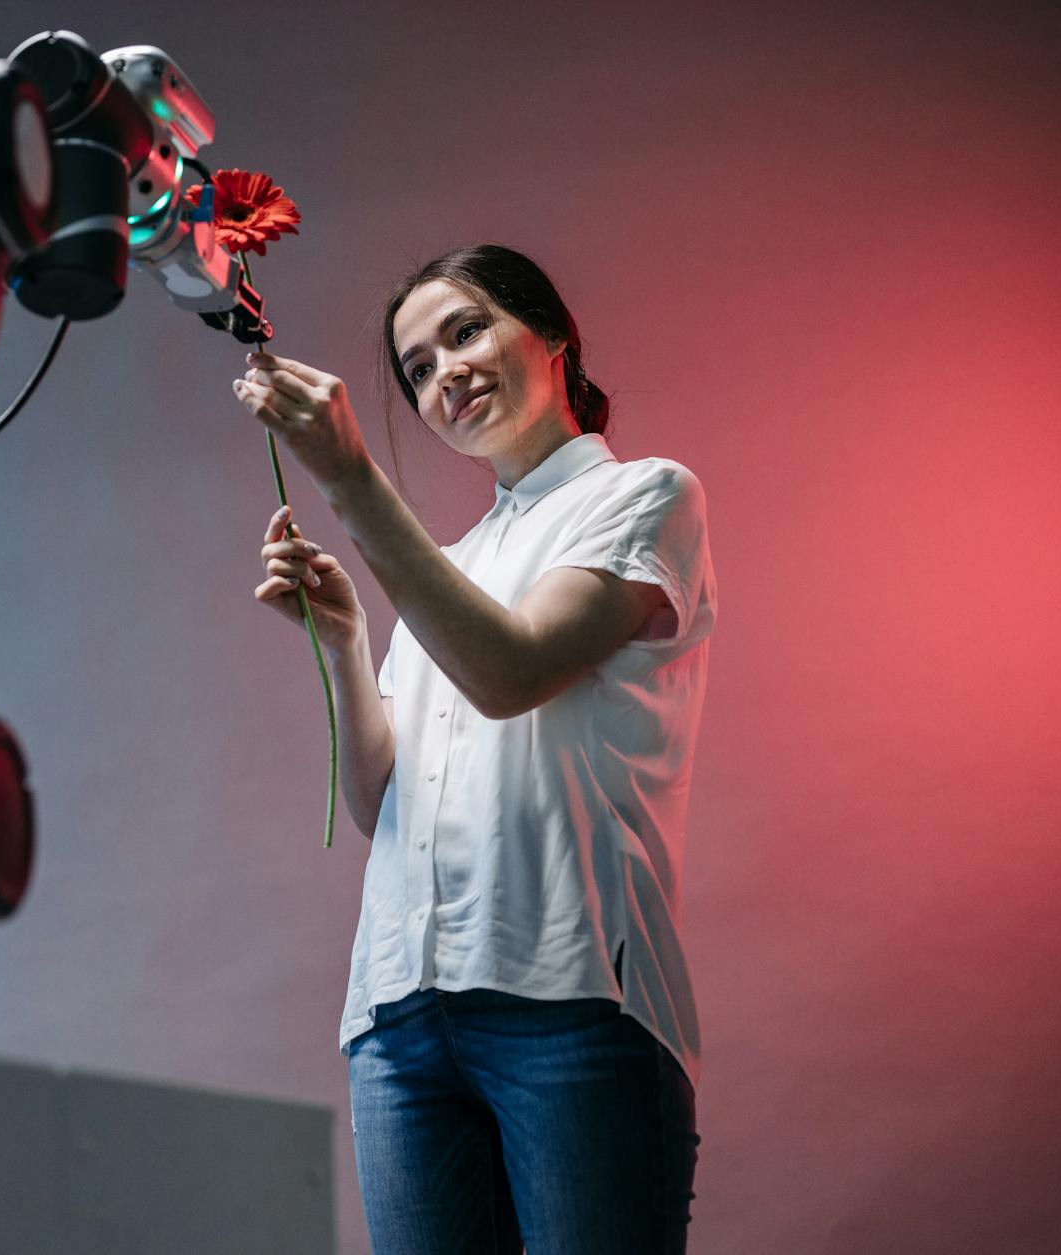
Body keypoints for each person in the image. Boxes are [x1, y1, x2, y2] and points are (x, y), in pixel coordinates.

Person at [235, 244, 713, 1254]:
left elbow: (510, 672)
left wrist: (351, 478)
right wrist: (345, 640)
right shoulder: (444, 570)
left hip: (572, 1007)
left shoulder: (647, 497)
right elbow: (380, 805)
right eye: (414, 369)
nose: (441, 372)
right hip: (399, 1022)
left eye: (465, 331)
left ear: (551, 337)